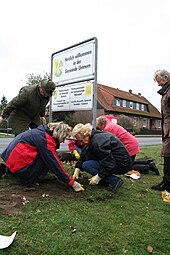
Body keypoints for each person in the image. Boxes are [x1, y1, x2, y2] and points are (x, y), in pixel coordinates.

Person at [0, 122, 84, 192]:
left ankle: (10, 170)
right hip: (19, 161)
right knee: (46, 160)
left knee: (46, 156)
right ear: (60, 134)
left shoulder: (42, 131)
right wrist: (72, 183)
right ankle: (28, 178)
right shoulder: (46, 140)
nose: (63, 141)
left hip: (11, 159)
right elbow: (54, 163)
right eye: (64, 138)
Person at [72, 123, 132, 193]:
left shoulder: (97, 143)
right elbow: (85, 153)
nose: (81, 143)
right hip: (118, 161)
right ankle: (104, 181)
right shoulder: (93, 136)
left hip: (121, 164)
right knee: (87, 161)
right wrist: (77, 169)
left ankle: (115, 181)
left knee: (87, 165)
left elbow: (109, 163)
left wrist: (98, 177)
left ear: (87, 135)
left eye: (81, 140)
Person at [151, 70, 170, 191]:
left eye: (159, 81)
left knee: (167, 154)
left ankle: (167, 183)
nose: (158, 84)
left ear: (166, 78)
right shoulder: (166, 92)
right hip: (167, 127)